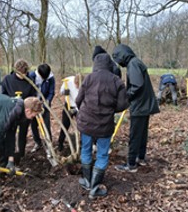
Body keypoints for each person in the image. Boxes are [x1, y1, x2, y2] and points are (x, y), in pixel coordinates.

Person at [76, 53, 129, 198]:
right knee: (102, 154)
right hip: (105, 125)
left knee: (86, 150)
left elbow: (78, 100)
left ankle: (87, 181)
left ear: (96, 65)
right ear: (109, 64)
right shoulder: (116, 81)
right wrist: (110, 110)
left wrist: (85, 110)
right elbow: (123, 104)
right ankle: (94, 187)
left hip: (86, 123)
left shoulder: (89, 78)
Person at [112, 44, 160, 172]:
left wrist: (127, 96)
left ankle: (131, 163)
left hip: (139, 106)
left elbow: (137, 85)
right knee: (142, 133)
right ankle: (141, 157)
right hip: (145, 105)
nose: (119, 63)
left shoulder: (133, 64)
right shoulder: (137, 62)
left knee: (134, 135)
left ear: (122, 55)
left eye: (118, 59)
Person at [0, 59, 37, 164]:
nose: (22, 76)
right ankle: (8, 156)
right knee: (10, 134)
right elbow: (1, 95)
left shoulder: (30, 81)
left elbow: (34, 96)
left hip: (25, 113)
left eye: (24, 74)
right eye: (20, 74)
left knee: (23, 134)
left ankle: (21, 155)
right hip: (11, 112)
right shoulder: (7, 79)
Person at [28, 63, 55, 153]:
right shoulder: (32, 76)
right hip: (33, 104)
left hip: (45, 104)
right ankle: (37, 142)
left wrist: (47, 101)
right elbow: (28, 90)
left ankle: (48, 144)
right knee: (34, 125)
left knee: (46, 124)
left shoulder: (50, 78)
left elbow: (51, 91)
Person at [57, 75, 80, 152]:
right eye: (76, 85)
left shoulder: (85, 85)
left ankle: (81, 143)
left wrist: (76, 110)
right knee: (65, 125)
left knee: (82, 125)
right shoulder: (68, 80)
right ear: (74, 82)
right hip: (68, 105)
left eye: (79, 85)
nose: (77, 87)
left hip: (79, 107)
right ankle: (60, 143)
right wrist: (64, 92)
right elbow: (61, 91)